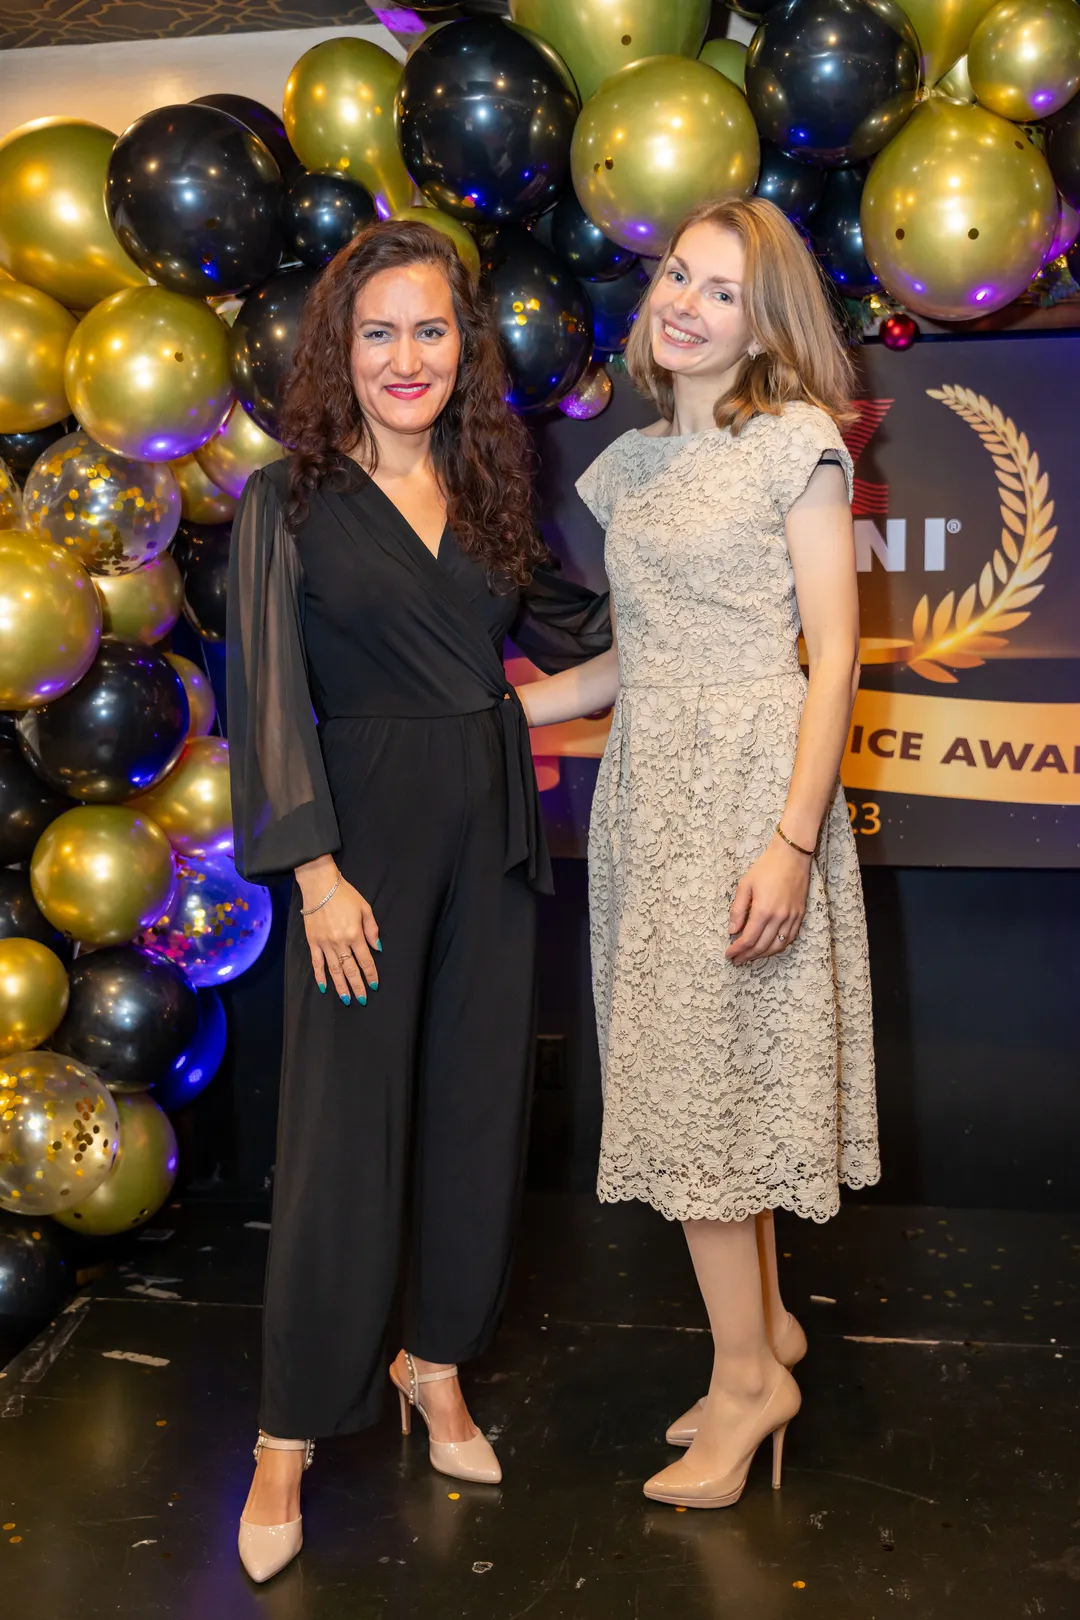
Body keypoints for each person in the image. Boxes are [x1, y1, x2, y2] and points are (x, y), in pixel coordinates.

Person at [226, 219, 610, 1581]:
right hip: (360, 858)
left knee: (472, 1116)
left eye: (430, 330)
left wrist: (727, 608)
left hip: (498, 840)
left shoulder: (499, 494)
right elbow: (264, 699)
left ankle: (432, 1364)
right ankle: (287, 1436)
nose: (406, 358)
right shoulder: (291, 501)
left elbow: (605, 646)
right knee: (342, 1141)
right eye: (377, 331)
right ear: (341, 348)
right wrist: (316, 872)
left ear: (466, 346)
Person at [517, 196, 880, 1509]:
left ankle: (748, 1384)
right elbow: (634, 659)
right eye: (680, 273)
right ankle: (765, 1332)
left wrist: (789, 842)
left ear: (764, 318)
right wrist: (516, 709)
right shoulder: (630, 466)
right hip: (649, 797)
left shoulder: (795, 442)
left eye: (722, 290)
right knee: (697, 1082)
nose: (686, 301)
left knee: (708, 1100)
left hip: (745, 793)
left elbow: (831, 653)